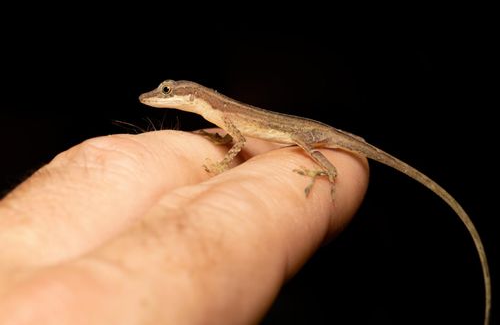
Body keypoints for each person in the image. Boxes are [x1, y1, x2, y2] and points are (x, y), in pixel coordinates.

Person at [0, 130, 368, 324]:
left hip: (309, 132)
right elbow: (235, 136)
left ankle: (329, 171)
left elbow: (239, 140)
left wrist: (224, 165)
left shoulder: (226, 113)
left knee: (308, 148)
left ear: (191, 97)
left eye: (169, 92)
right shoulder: (222, 113)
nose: (161, 97)